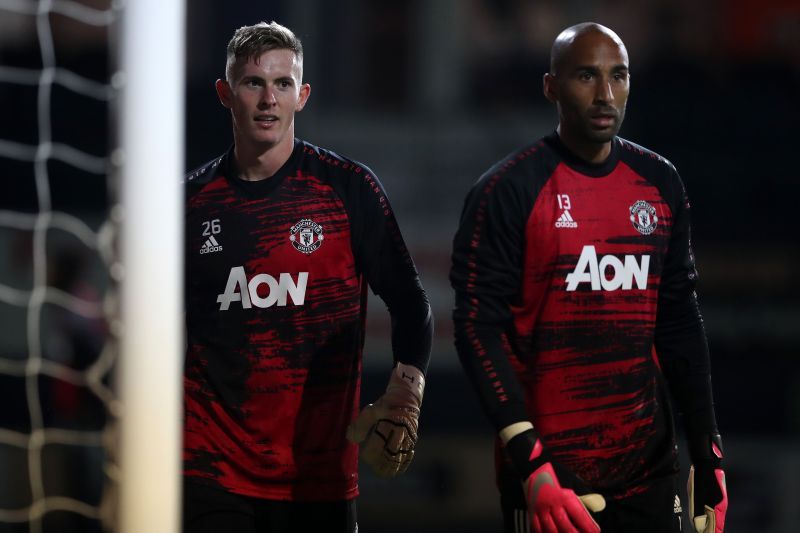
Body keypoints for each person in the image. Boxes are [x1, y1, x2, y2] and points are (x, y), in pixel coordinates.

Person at [450, 22, 727, 533]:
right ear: (551, 87)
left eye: (617, 76)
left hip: (650, 470)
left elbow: (680, 322)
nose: (605, 94)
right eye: (586, 76)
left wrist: (708, 452)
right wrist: (531, 464)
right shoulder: (507, 191)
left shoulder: (659, 182)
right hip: (550, 474)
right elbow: (476, 330)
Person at [182, 21, 433, 533]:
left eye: (283, 84)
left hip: (318, 476)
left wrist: (406, 392)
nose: (268, 99)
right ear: (225, 94)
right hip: (212, 471)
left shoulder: (347, 189)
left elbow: (412, 306)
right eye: (253, 83)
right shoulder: (187, 204)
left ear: (303, 96)